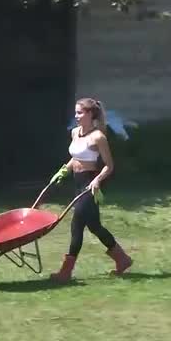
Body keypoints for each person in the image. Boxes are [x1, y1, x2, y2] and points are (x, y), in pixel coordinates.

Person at [48, 97, 132, 282]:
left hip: (89, 184)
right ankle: (123, 259)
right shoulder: (75, 133)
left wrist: (97, 181)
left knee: (76, 225)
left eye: (80, 112)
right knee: (94, 226)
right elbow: (75, 158)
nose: (76, 116)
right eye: (76, 112)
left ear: (90, 114)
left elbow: (109, 166)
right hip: (77, 183)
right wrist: (63, 170)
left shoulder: (98, 137)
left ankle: (66, 272)